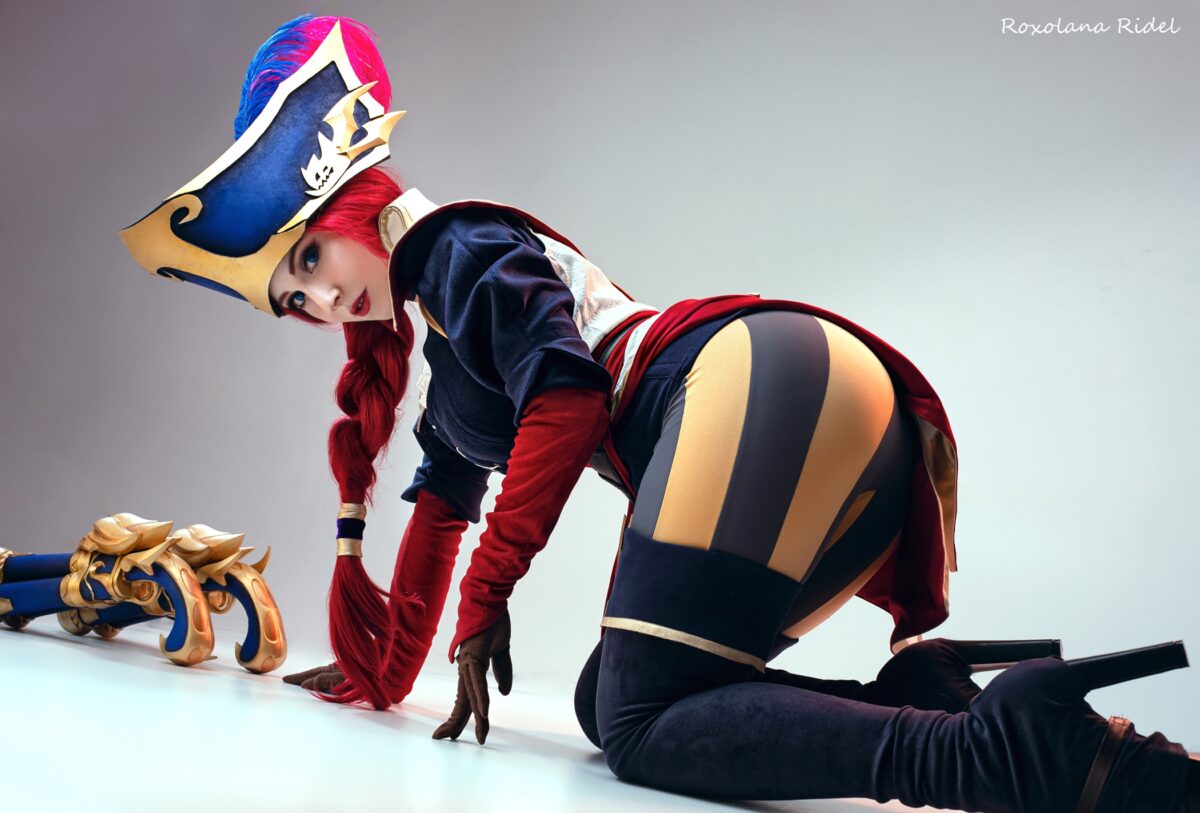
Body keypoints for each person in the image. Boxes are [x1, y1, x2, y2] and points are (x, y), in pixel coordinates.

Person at [120, 14, 1198, 811]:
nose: (318, 300)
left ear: (354, 204)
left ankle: (1004, 757)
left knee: (639, 724)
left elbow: (568, 399)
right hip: (800, 401)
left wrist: (491, 593)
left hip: (748, 381)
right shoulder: (450, 354)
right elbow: (441, 511)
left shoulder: (454, 247)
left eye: (310, 258)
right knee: (612, 699)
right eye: (292, 299)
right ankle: (928, 698)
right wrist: (380, 673)